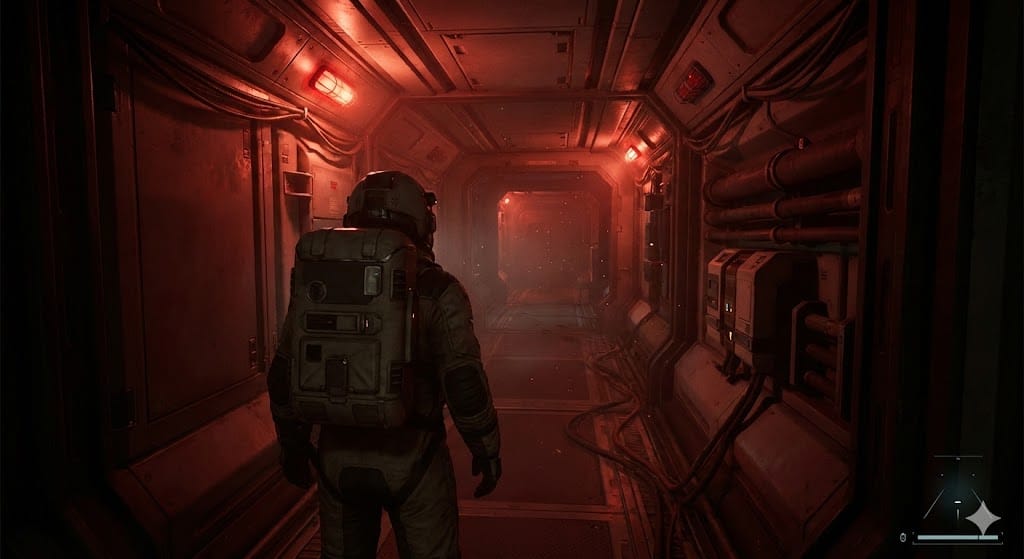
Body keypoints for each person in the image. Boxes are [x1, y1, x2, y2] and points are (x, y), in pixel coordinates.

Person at [267, 171, 502, 558]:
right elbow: (463, 381)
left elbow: (283, 372)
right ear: (423, 223)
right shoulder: (437, 289)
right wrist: (485, 448)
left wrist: (292, 445)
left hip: (337, 459)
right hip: (414, 458)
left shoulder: (318, 279)